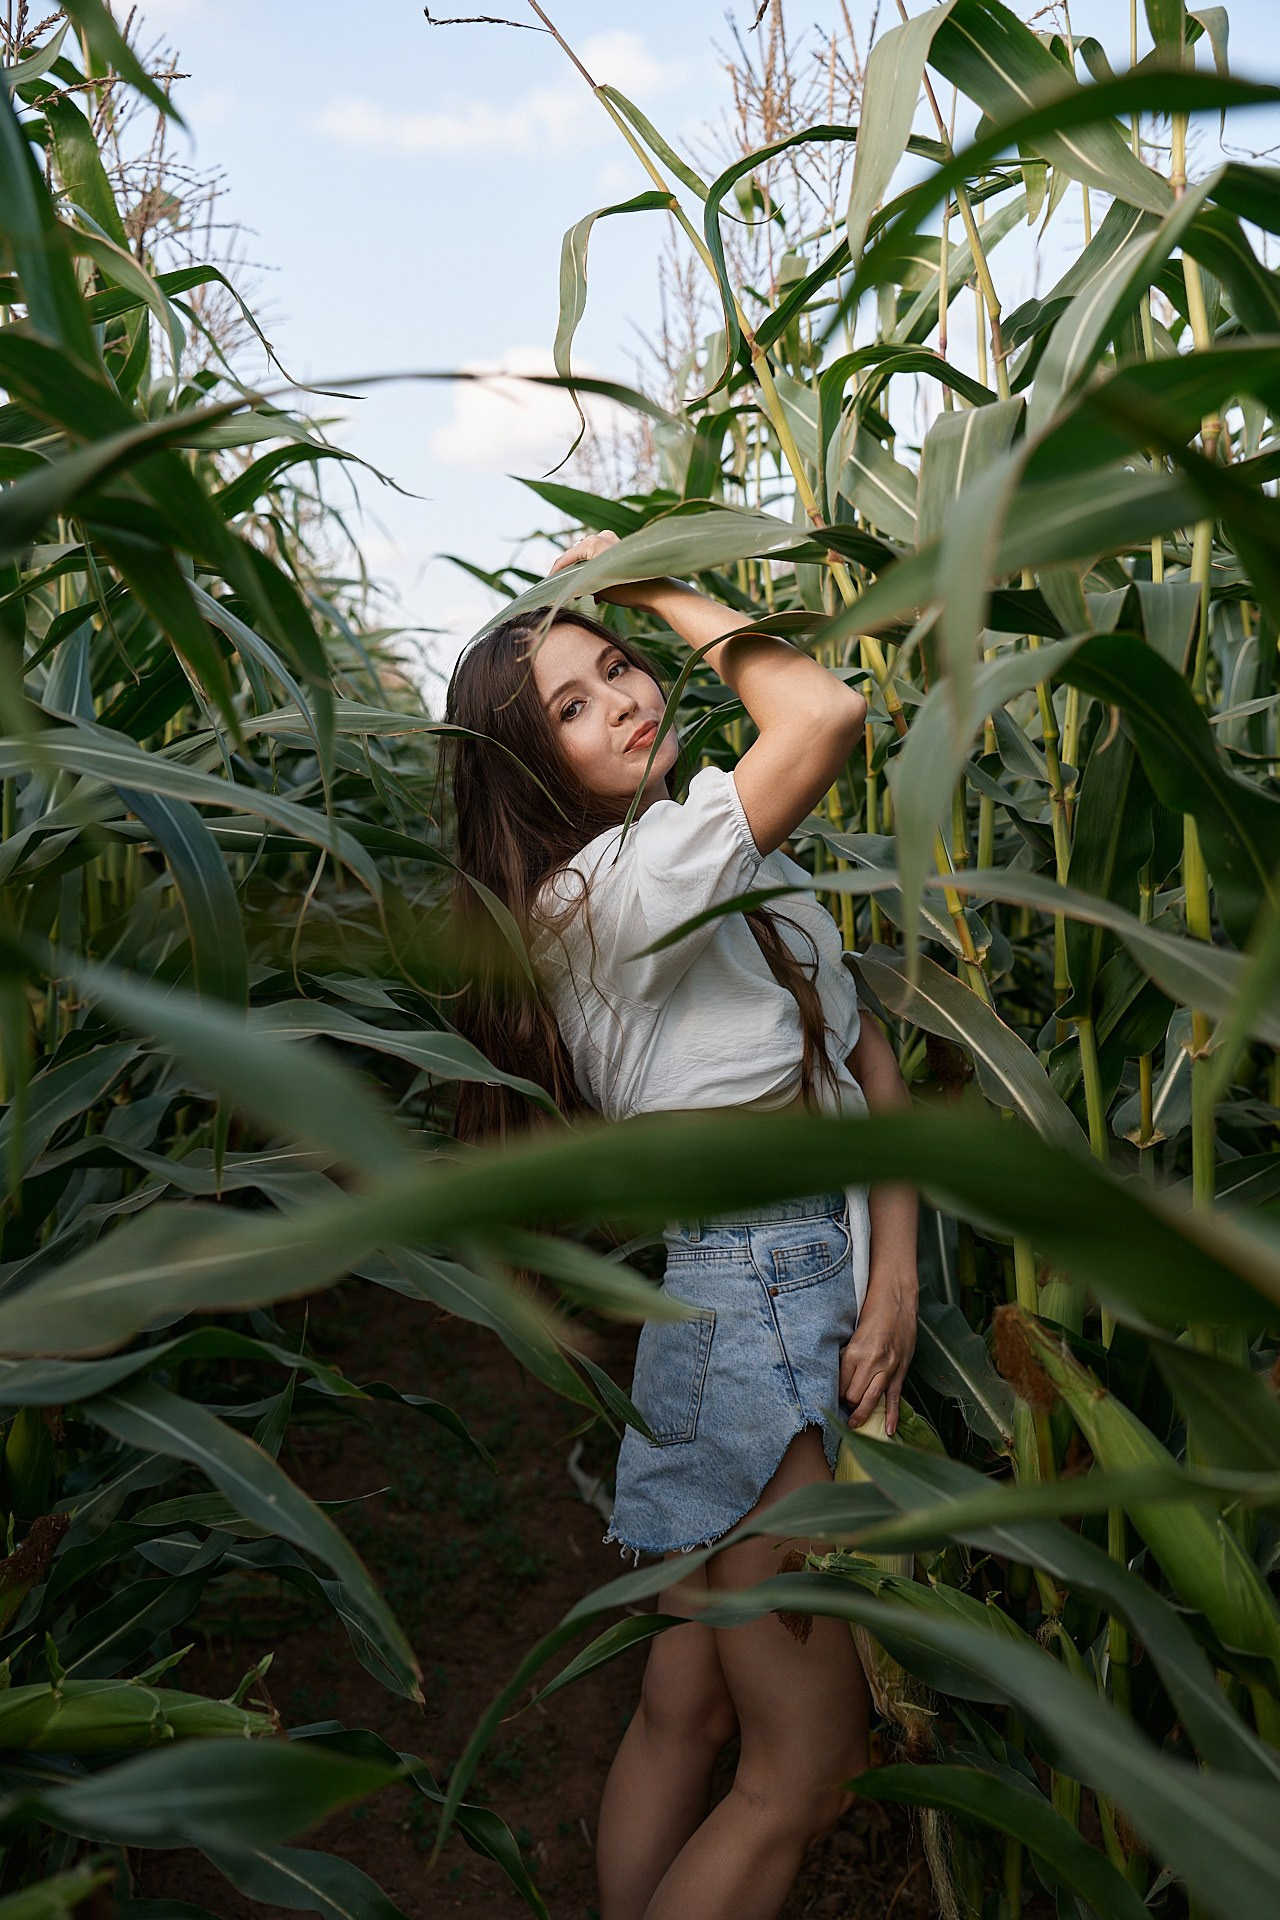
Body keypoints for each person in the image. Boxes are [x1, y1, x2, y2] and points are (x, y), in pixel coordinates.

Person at [445, 531, 919, 1920]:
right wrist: (651, 576)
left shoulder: (695, 848)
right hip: (763, 1310)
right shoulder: (608, 901)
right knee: (803, 1778)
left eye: (616, 666)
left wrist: (892, 1280)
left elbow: (865, 1059)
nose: (623, 700)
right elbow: (823, 713)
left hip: (778, 1293)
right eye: (572, 711)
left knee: (687, 1713)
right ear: (529, 776)